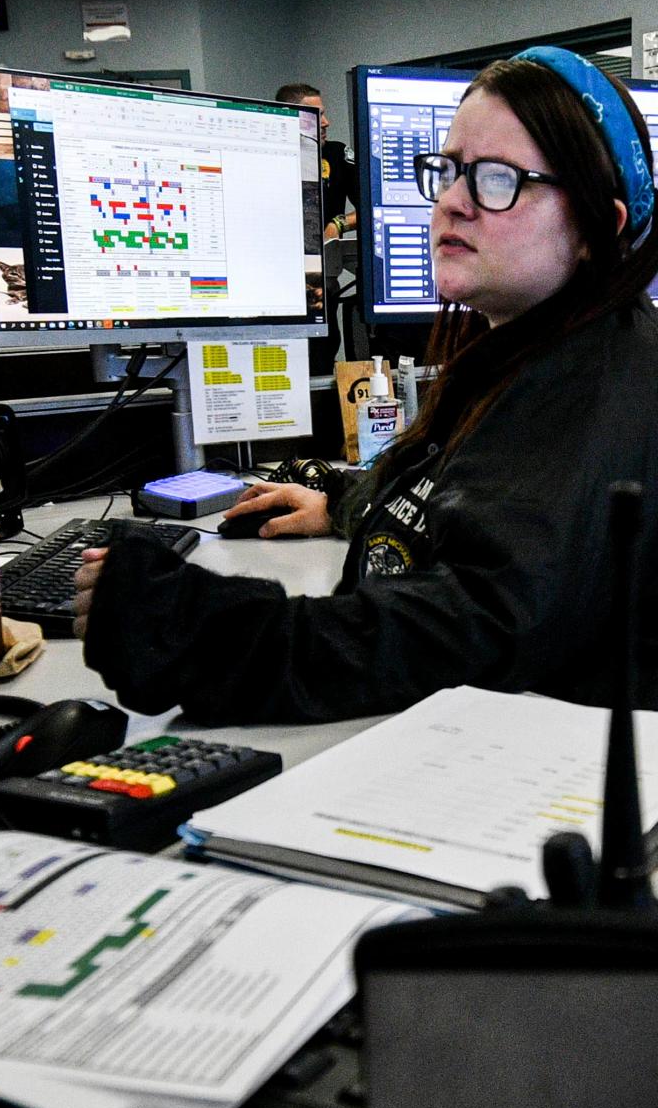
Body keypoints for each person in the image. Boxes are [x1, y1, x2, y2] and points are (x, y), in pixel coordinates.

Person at [73, 47, 658, 725]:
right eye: (448, 170)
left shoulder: (592, 390)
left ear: (597, 227)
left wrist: (204, 630)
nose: (453, 202)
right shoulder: (533, 352)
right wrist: (345, 500)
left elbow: (474, 634)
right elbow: (478, 495)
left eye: (498, 179)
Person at [275, 81, 358, 241]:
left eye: (323, 114)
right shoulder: (272, 160)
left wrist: (339, 224)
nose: (326, 123)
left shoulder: (337, 154)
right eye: (316, 116)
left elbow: (373, 207)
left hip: (327, 260)